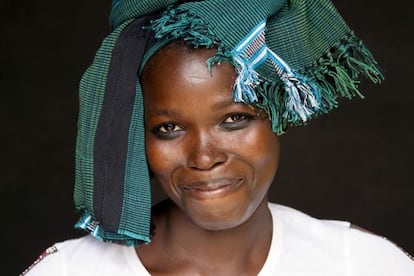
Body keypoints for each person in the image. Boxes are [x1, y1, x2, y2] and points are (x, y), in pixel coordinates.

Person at [22, 0, 414, 275]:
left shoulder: (361, 264)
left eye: (234, 119)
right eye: (168, 128)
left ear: (280, 116)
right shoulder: (72, 271)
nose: (204, 157)